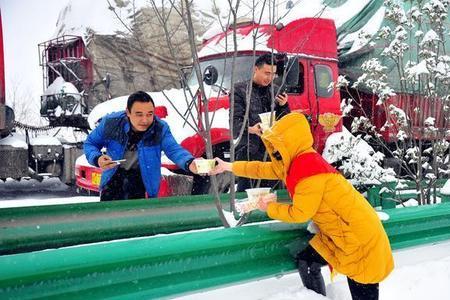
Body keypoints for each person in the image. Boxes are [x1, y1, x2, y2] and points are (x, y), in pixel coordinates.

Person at [211, 112, 394, 300]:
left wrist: (270, 207)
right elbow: (260, 168)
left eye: (277, 147)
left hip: (360, 239)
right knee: (307, 261)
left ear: (290, 143)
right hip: (342, 235)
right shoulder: (297, 161)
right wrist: (228, 167)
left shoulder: (309, 170)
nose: (274, 153)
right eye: (272, 147)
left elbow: (300, 213)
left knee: (363, 286)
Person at [84, 91, 198, 201]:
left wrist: (190, 163)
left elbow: (174, 150)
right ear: (128, 112)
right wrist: (97, 158)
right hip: (112, 179)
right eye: (139, 114)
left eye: (150, 114)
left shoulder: (159, 128)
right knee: (109, 218)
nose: (145, 120)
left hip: (142, 182)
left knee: (138, 218)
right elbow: (91, 143)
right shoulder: (112, 123)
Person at [232, 53, 290, 192]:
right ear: (255, 69)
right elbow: (234, 125)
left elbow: (286, 123)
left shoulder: (276, 91)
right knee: (247, 197)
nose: (269, 78)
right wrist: (251, 129)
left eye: (273, 74)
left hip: (273, 153)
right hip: (249, 153)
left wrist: (284, 106)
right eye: (266, 73)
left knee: (272, 197)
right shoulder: (239, 90)